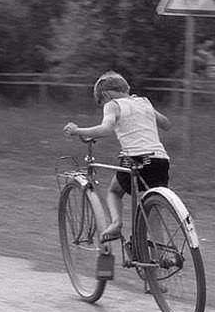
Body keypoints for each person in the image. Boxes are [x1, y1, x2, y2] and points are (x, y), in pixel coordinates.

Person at [63, 71, 172, 242]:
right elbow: (166, 124)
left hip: (135, 158)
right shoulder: (144, 101)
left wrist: (77, 131)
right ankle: (161, 253)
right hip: (160, 160)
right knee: (154, 211)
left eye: (101, 102)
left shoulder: (113, 105)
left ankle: (116, 223)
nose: (104, 105)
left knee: (114, 191)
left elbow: (106, 129)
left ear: (106, 95)